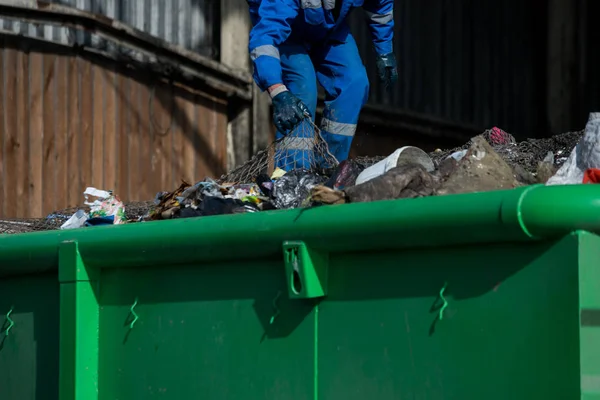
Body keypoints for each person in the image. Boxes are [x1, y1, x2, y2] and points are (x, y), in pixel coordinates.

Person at [247, 0, 398, 170]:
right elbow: (265, 38)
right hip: (284, 33)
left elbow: (379, 7)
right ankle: (291, 175)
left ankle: (330, 168)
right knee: (303, 87)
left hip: (328, 29)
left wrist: (385, 50)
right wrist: (277, 91)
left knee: (355, 82)